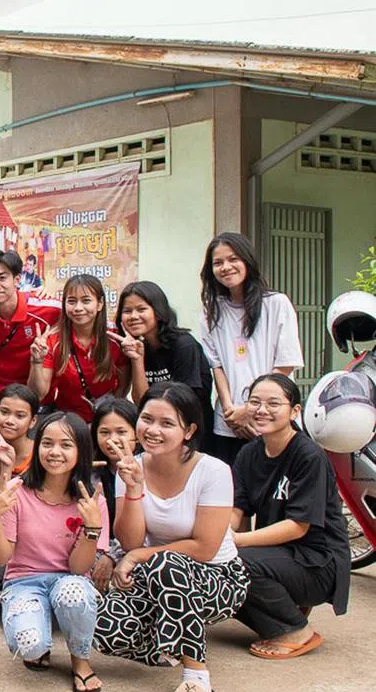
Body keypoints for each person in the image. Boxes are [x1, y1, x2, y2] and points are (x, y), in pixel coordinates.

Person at [94, 382, 248, 692]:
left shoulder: (214, 471)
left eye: (167, 424)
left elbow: (205, 548)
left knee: (168, 564)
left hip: (217, 579)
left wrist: (137, 556)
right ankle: (172, 642)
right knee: (102, 627)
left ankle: (196, 677)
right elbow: (132, 541)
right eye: (147, 419)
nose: (153, 430)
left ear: (189, 430)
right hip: (154, 574)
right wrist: (134, 488)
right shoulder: (131, 466)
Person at [0, 412, 108, 692]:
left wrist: (92, 527)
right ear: (37, 445)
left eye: (66, 445)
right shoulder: (17, 491)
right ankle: (41, 637)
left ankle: (80, 659)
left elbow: (79, 568)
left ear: (81, 450)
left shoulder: (92, 500)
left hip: (69, 580)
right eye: (47, 443)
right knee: (30, 644)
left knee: (74, 593)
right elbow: (1, 558)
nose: (55, 452)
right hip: (24, 583)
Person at [231, 374, 351, 659]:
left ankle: (296, 630)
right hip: (282, 555)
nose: (262, 410)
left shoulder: (309, 456)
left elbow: (298, 526)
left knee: (238, 563)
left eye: (274, 403)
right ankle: (287, 612)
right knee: (216, 565)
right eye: (255, 402)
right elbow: (238, 508)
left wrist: (237, 540)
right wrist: (220, 537)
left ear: (294, 411)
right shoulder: (249, 454)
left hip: (319, 561)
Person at [198, 232, 303, 464]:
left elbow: (285, 365)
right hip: (229, 425)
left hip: (273, 418)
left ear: (247, 261)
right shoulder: (211, 311)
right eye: (218, 263)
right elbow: (217, 367)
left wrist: (250, 409)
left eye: (233, 259)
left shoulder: (276, 304)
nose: (226, 267)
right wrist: (230, 412)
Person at [0, 250, 61, 439]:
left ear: (17, 280)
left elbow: (77, 313)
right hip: (0, 391)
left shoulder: (48, 308)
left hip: (39, 393)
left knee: (37, 452)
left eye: (2, 278)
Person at [115, 280, 213, 445]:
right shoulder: (139, 348)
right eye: (127, 311)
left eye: (141, 309)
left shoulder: (184, 345)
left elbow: (184, 403)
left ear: (158, 311)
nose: (133, 317)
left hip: (193, 438)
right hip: (159, 436)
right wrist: (137, 360)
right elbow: (142, 402)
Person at [29, 274, 130, 423]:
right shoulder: (52, 340)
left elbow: (122, 388)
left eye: (86, 301)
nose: (78, 308)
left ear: (100, 303)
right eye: (71, 301)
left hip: (106, 419)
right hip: (68, 420)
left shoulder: (115, 337)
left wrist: (109, 420)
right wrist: (36, 361)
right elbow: (39, 393)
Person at [87, 398, 139, 592]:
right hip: (98, 546)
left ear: (137, 434)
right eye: (104, 432)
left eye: (121, 432)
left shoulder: (147, 469)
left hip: (137, 550)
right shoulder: (91, 471)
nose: (112, 439)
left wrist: (113, 556)